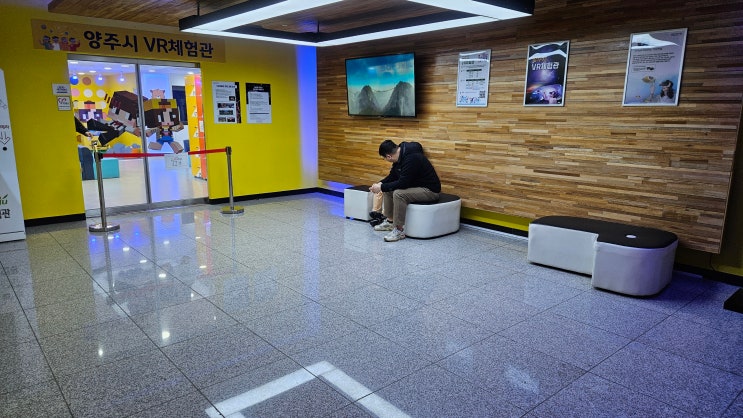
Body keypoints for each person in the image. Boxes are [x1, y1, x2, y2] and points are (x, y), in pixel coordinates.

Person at [370, 140, 441, 242]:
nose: (386, 160)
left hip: (430, 190)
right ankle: (390, 222)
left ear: (389, 156)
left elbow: (403, 183)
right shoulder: (400, 156)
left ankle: (399, 230)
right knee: (388, 190)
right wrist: (380, 184)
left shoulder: (411, 159)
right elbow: (393, 176)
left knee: (398, 194)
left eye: (385, 158)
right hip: (416, 187)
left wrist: (381, 188)